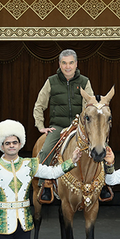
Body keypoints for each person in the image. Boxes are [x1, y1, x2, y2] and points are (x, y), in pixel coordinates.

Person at [32, 49, 94, 202]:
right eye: (64, 63)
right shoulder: (51, 81)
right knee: (45, 151)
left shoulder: (84, 82)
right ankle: (44, 185)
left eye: (71, 63)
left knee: (101, 147)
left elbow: (90, 105)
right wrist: (41, 126)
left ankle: (105, 184)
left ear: (76, 64)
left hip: (79, 126)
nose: (68, 67)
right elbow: (39, 105)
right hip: (58, 127)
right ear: (60, 64)